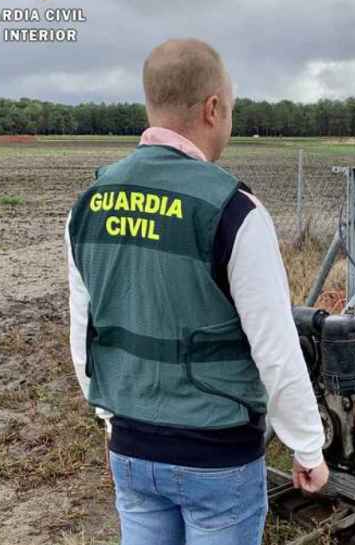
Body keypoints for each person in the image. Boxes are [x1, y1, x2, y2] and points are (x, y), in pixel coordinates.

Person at [65, 38, 328, 545]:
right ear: (213, 109)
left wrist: (108, 416)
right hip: (216, 459)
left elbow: (85, 330)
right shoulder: (235, 211)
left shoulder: (87, 204)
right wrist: (307, 447)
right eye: (229, 109)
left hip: (132, 448)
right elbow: (274, 347)